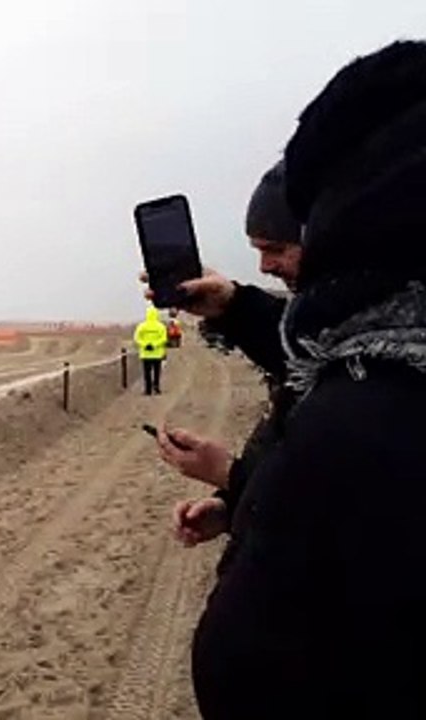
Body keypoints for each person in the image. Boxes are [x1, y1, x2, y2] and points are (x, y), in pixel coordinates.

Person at [191, 40, 426, 718]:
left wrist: (240, 481)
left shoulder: (369, 407)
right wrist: (234, 307)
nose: (268, 266)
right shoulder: (366, 353)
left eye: (277, 248)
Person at [160, 159, 302, 553]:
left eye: (276, 249)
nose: (265, 266)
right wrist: (231, 505)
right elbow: (304, 353)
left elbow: (343, 507)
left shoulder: (381, 361)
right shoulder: (336, 332)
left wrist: (232, 475)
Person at [133, 305, 168, 395]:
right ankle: (156, 386)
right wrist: (154, 345)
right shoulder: (161, 326)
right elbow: (164, 338)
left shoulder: (142, 326)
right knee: (157, 371)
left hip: (145, 354)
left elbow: (137, 338)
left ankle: (148, 389)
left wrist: (146, 345)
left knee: (147, 372)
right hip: (157, 353)